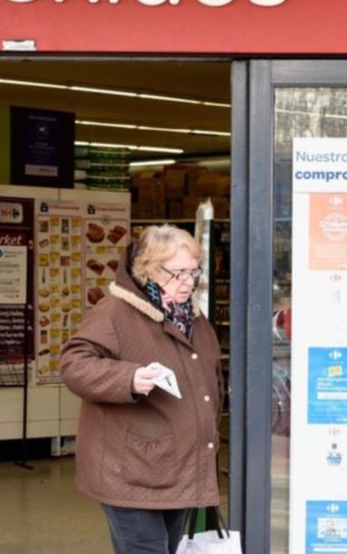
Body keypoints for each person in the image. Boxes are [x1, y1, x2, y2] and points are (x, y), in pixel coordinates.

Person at [60, 225, 224, 554]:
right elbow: (73, 364)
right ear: (148, 268)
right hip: (132, 470)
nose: (188, 282)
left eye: (194, 272)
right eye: (178, 273)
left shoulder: (191, 315)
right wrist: (129, 378)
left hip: (178, 467)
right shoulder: (115, 311)